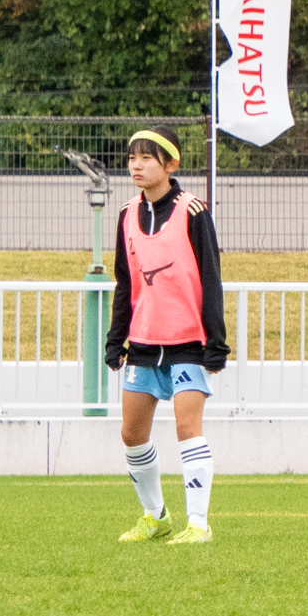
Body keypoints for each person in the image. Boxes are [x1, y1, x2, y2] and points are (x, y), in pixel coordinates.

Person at [104, 131, 225, 546]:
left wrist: (216, 342)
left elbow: (211, 277)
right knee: (131, 434)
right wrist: (116, 339)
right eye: (131, 158)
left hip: (188, 342)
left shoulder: (193, 210)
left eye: (146, 158)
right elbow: (125, 283)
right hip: (142, 344)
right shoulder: (126, 213)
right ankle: (156, 516)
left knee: (187, 427)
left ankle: (198, 524)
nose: (136, 165)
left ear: (171, 165)